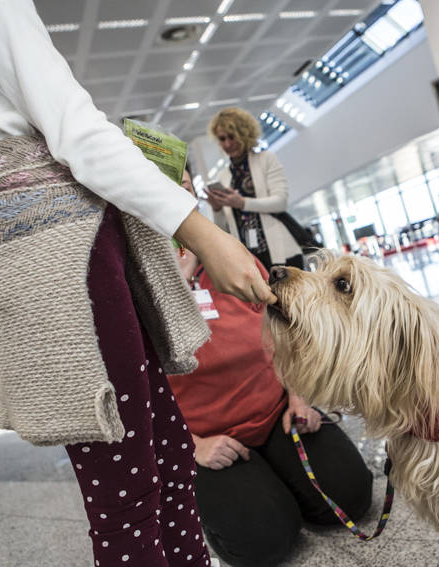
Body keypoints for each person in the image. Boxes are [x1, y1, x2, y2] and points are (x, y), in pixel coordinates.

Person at [0, 2, 274, 566]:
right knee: (129, 489)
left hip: (53, 246)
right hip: (63, 256)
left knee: (165, 462)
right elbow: (73, 130)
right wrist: (201, 232)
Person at [171, 170, 373, 567]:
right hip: (210, 440)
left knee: (352, 497)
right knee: (262, 544)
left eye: (184, 184)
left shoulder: (231, 260)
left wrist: (298, 397)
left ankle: (276, 473)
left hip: (277, 414)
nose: (177, 194)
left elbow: (285, 335)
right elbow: (135, 389)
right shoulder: (133, 282)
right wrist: (193, 447)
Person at [206, 107, 305, 270]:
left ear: (244, 133)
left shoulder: (266, 159)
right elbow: (223, 230)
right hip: (250, 260)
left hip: (282, 252)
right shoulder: (223, 177)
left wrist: (242, 203)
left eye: (232, 136)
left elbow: (280, 202)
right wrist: (217, 209)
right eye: (222, 139)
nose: (228, 144)